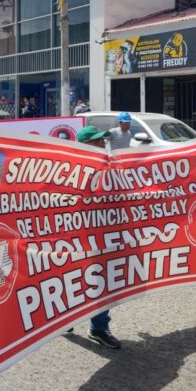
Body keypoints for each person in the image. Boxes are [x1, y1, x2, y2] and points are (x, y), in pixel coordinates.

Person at [75, 125, 121, 349]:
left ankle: (99, 328)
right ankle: (61, 320)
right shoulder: (68, 169)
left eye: (103, 141)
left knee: (102, 280)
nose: (103, 145)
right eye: (97, 142)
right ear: (84, 145)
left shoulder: (109, 166)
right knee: (72, 278)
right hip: (78, 237)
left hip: (103, 236)